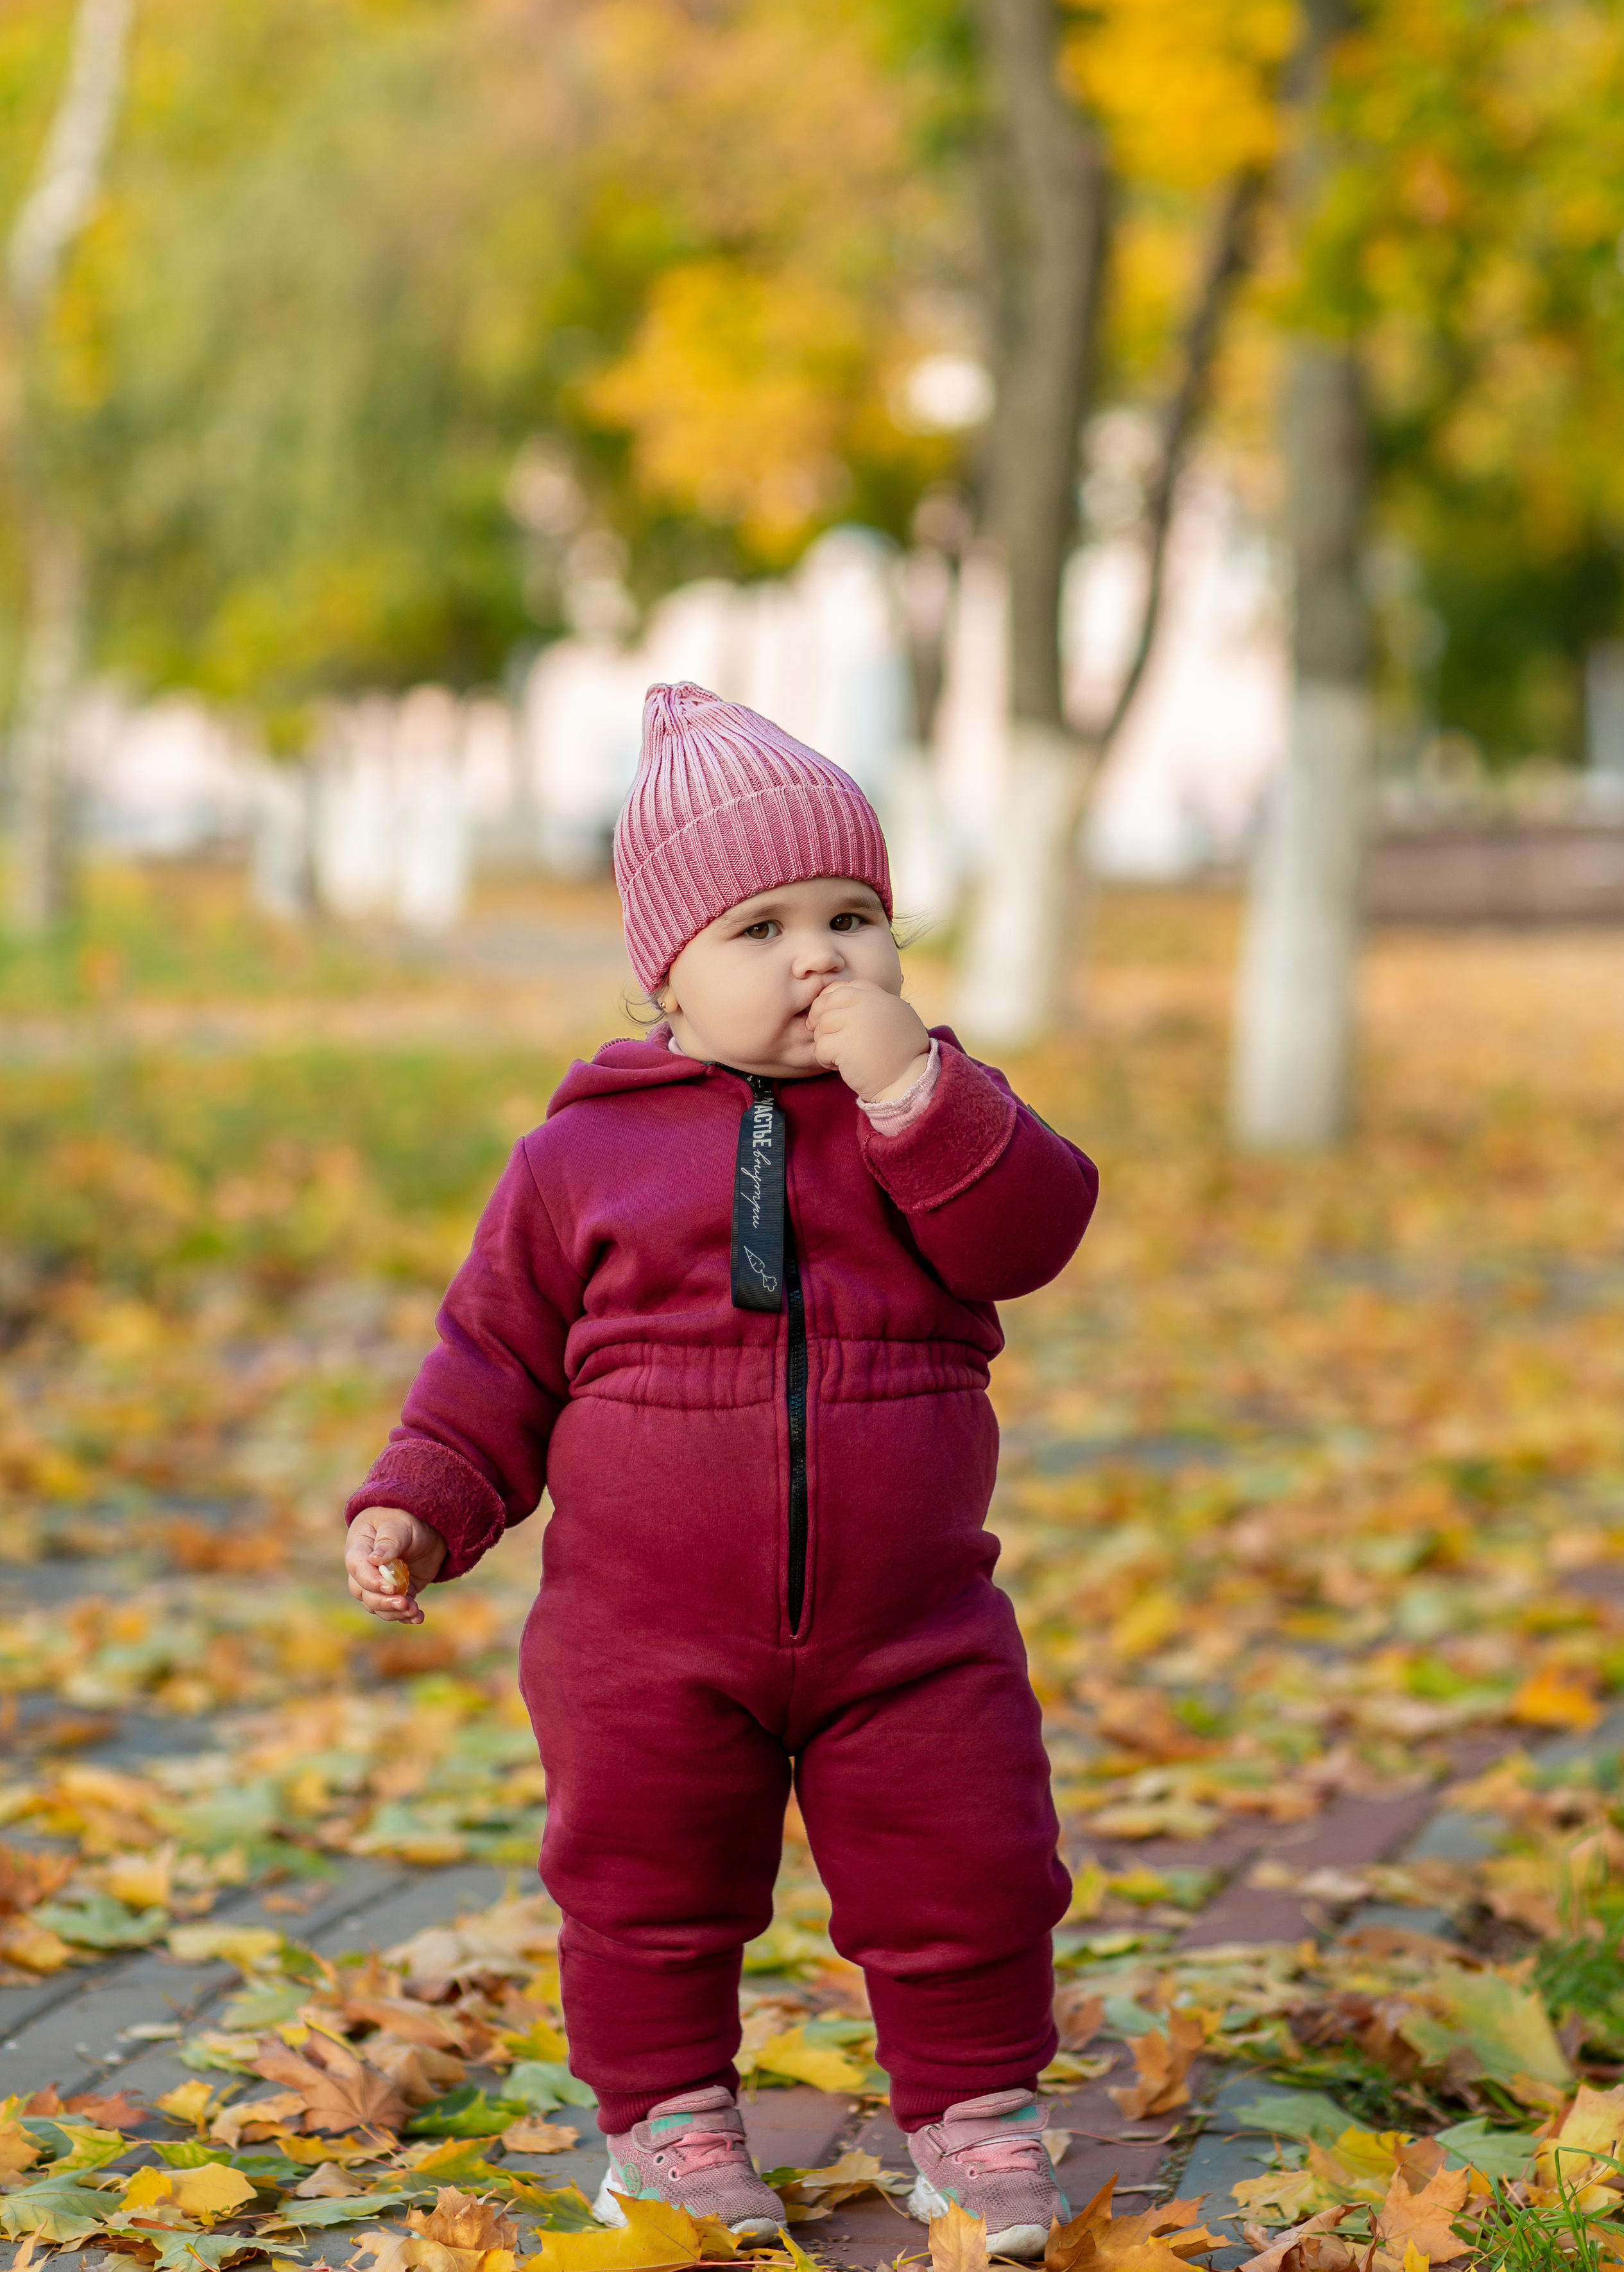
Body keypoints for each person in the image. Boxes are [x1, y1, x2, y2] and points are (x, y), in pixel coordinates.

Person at [343, 683, 1098, 2257]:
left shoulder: (936, 1115)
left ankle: (973, 2120)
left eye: (853, 915)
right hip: (643, 1632)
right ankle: (670, 2124)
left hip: (912, 1622)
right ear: (664, 982)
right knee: (643, 1879)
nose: (820, 957)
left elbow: (1031, 1234)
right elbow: (493, 1358)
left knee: (970, 1862)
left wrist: (913, 1097)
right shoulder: (578, 1159)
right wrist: (421, 1498)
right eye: (759, 929)